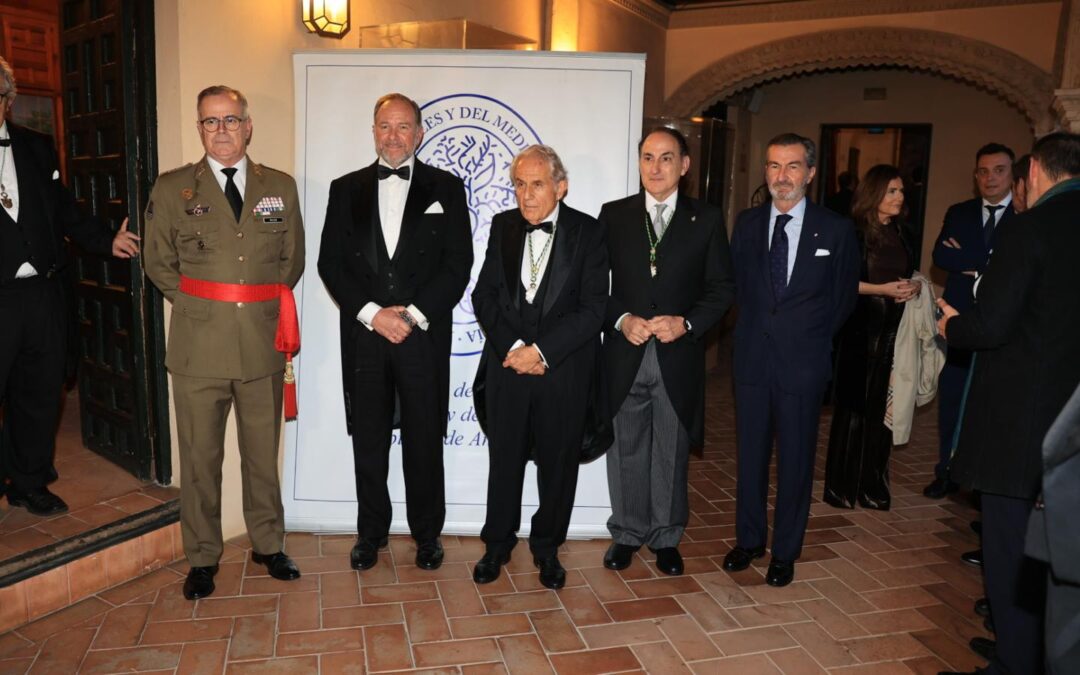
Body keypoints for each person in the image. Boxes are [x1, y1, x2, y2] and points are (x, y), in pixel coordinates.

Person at [143, 85, 304, 600]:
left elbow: (291, 262)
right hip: (198, 349)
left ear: (248, 126)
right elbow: (158, 263)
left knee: (262, 456)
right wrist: (200, 305)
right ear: (199, 129)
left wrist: (251, 307)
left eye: (231, 120)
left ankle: (267, 544)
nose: (222, 131)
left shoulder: (279, 185)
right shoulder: (172, 190)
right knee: (200, 459)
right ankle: (203, 557)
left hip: (260, 345)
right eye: (210, 122)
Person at [936, 131, 1080, 675]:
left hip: (1020, 423)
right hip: (1073, 422)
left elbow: (991, 324)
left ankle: (1015, 661)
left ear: (1036, 170)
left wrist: (954, 325)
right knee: (1061, 552)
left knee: (1011, 550)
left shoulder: (1030, 227)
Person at [317, 93, 472, 573]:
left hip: (422, 336)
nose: (393, 136)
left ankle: (427, 535)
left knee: (425, 439)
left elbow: (458, 264)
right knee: (369, 439)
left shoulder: (447, 188)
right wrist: (371, 313)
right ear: (373, 131)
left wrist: (414, 314)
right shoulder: (345, 189)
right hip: (365, 336)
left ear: (420, 133)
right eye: (385, 126)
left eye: (403, 126)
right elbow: (330, 264)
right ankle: (371, 534)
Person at [0, 56, 139, 516]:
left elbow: (64, 209)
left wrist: (106, 239)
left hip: (42, 294)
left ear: (9, 100)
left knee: (40, 393)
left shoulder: (37, 147)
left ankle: (29, 482)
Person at [469, 145, 607, 590]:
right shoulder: (502, 226)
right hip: (508, 367)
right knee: (504, 461)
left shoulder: (588, 232)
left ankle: (547, 548)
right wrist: (513, 347)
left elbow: (593, 309)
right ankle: (497, 545)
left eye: (537, 184)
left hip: (562, 371)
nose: (526, 196)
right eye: (519, 185)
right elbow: (483, 296)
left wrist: (542, 352)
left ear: (560, 187)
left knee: (558, 464)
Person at [723, 133, 859, 587]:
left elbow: (842, 301)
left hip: (803, 363)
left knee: (797, 461)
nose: (782, 177)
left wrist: (805, 337)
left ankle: (785, 551)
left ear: (811, 173)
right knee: (750, 457)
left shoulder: (835, 229)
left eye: (793, 166)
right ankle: (748, 540)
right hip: (753, 362)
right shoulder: (745, 223)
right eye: (774, 166)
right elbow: (738, 287)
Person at [599, 127, 734, 576]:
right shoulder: (614, 215)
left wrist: (687, 323)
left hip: (678, 356)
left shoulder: (708, 219)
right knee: (626, 447)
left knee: (671, 450)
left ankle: (666, 537)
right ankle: (627, 533)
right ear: (639, 163)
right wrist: (622, 320)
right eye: (648, 157)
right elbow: (594, 288)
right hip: (627, 352)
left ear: (685, 165)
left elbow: (721, 288)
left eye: (666, 158)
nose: (655, 168)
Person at [924, 143, 1017, 499]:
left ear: (1013, 174)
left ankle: (981, 482)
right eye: (983, 171)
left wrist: (972, 262)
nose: (990, 178)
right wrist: (989, 262)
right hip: (958, 321)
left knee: (993, 404)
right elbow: (941, 255)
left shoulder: (1024, 216)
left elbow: (1013, 267)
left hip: (1000, 322)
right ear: (974, 175)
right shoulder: (960, 212)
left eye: (999, 170)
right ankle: (946, 471)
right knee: (952, 397)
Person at [824, 165, 918, 510]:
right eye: (892, 191)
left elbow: (910, 272)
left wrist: (915, 285)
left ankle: (872, 486)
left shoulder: (903, 232)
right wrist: (881, 289)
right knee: (853, 411)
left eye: (901, 191)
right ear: (875, 193)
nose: (899, 197)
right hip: (860, 329)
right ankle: (841, 487)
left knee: (883, 409)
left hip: (894, 329)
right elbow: (836, 282)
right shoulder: (852, 233)